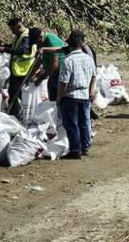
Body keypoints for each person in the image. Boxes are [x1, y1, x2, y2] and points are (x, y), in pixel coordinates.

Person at [57, 29, 97, 160]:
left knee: (72, 124)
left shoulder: (68, 61)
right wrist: (91, 91)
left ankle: (75, 150)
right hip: (85, 95)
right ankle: (85, 147)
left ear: (70, 45)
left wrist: (59, 98)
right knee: (84, 122)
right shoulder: (88, 59)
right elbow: (94, 76)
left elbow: (63, 82)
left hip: (71, 96)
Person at [3, 17, 38, 118]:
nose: (12, 32)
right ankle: (16, 114)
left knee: (18, 94)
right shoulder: (19, 36)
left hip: (23, 71)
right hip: (17, 71)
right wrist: (5, 45)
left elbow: (22, 51)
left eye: (12, 29)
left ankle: (18, 115)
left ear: (19, 26)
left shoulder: (26, 37)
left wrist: (5, 49)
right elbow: (14, 46)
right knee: (14, 93)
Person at [34, 30, 67, 102]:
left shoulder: (51, 41)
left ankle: (57, 109)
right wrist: (34, 73)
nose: (37, 44)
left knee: (55, 92)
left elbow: (55, 65)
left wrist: (42, 78)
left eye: (37, 42)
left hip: (60, 71)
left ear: (40, 37)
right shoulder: (41, 42)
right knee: (51, 91)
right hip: (53, 71)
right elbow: (39, 61)